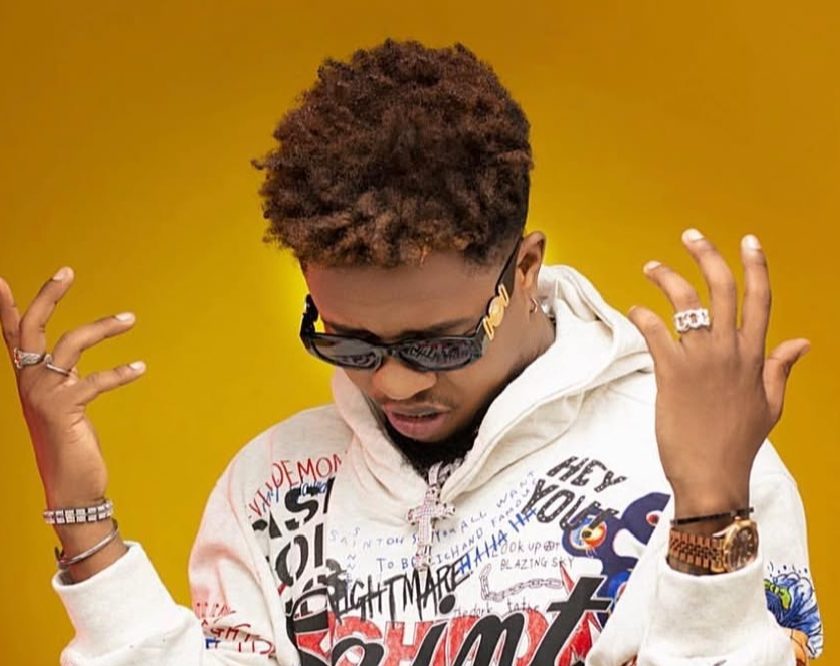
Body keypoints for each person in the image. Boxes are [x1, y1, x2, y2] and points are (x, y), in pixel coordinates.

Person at [0, 39, 823, 666]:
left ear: (523, 271)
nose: (394, 384)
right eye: (348, 341)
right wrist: (84, 522)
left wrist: (709, 510)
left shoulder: (694, 458)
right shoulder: (273, 488)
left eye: (439, 343)